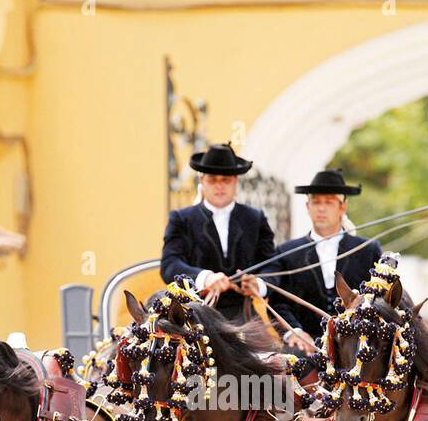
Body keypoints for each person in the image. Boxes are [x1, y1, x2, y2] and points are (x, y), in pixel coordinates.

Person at [261, 169, 382, 353]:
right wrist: (295, 332)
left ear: (342, 207)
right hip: (305, 347)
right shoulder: (287, 253)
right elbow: (277, 304)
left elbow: (381, 300)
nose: (322, 208)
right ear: (308, 207)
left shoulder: (367, 250)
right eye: (316, 202)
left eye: (329, 202)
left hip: (359, 346)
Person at [160, 143, 275, 322]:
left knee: (269, 350)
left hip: (244, 316)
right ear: (202, 181)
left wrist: (257, 284)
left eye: (226, 180)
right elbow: (170, 265)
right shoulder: (182, 219)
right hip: (196, 315)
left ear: (236, 181)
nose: (219, 186)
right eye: (212, 180)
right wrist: (204, 278)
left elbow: (272, 265)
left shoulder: (255, 218)